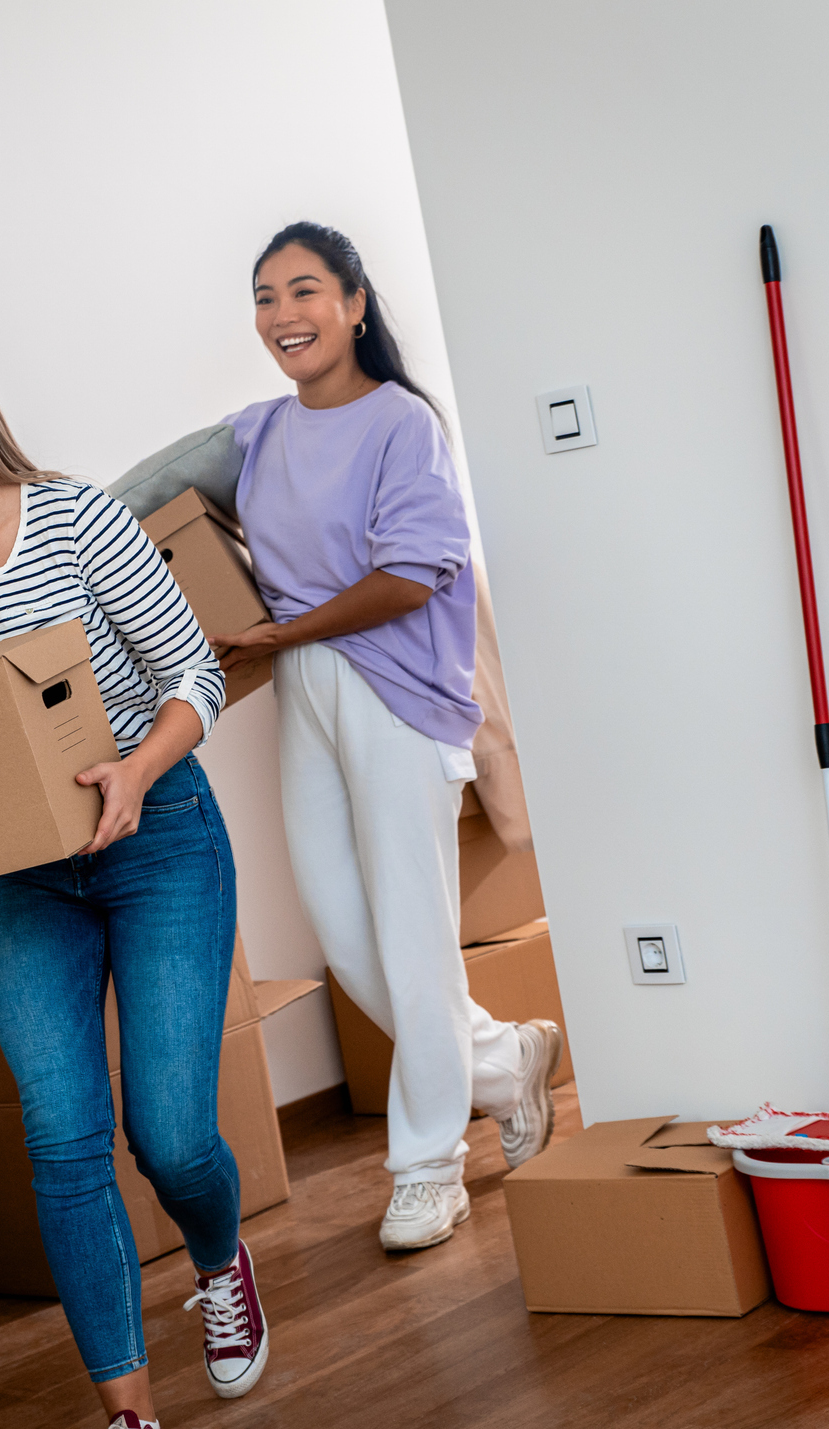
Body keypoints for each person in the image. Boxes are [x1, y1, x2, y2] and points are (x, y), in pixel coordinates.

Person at [0, 328, 267, 1429]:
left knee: (168, 1137)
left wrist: (132, 771)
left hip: (157, 833)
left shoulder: (75, 519)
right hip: (21, 878)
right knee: (62, 1141)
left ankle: (219, 1264)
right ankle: (127, 1410)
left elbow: (191, 671)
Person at [209, 222, 562, 1253]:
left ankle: (426, 1168)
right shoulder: (255, 432)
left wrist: (283, 628)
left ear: (355, 302)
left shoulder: (402, 423)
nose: (282, 315)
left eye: (304, 290)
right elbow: (135, 494)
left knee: (411, 937)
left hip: (393, 686)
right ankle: (505, 1061)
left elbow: (410, 575)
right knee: (349, 935)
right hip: (302, 686)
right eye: (264, 296)